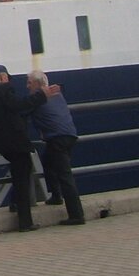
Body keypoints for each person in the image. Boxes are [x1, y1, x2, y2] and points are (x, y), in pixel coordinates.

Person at [0, 64, 59, 232]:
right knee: (23, 173)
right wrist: (41, 95)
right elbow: (19, 105)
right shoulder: (5, 89)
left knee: (18, 170)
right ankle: (25, 221)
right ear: (3, 77)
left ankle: (15, 204)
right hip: (13, 141)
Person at [27, 70, 85, 226]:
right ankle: (56, 195)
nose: (27, 86)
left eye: (29, 83)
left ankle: (76, 215)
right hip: (69, 135)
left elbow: (23, 109)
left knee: (65, 176)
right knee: (47, 162)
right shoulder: (57, 93)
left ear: (38, 84)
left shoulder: (37, 97)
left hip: (56, 138)